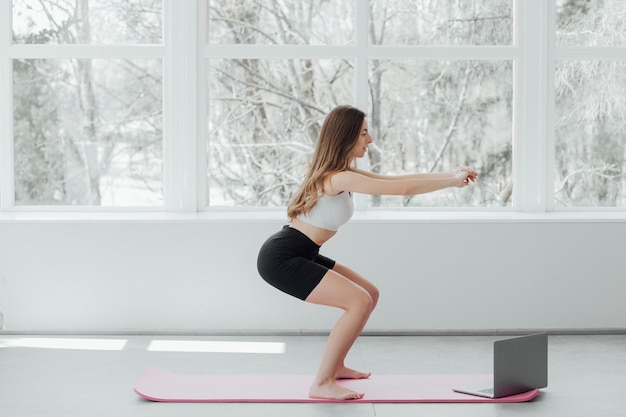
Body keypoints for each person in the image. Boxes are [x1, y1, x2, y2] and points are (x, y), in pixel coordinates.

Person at [257, 105, 477, 401]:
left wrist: (451, 175)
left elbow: (398, 180)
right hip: (282, 257)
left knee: (369, 293)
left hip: (302, 250)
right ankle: (321, 383)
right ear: (346, 136)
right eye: (363, 133)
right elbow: (405, 189)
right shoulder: (337, 178)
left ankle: (337, 367)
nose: (370, 139)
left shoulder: (344, 173)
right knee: (357, 301)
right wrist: (452, 181)